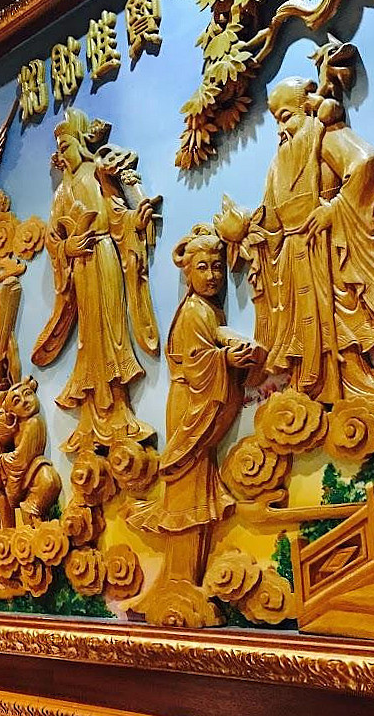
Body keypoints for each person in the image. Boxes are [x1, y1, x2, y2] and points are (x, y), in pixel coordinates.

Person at [238, 76, 374, 404]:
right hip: (293, 255)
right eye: (276, 120)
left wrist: (334, 209)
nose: (281, 129)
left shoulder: (324, 138)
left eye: (286, 117)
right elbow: (271, 214)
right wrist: (246, 232)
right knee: (304, 329)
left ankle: (354, 380)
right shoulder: (279, 162)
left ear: (307, 110)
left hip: (324, 247)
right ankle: (312, 391)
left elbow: (365, 162)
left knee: (337, 318)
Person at [129, 227, 262, 585]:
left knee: (199, 491)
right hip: (191, 405)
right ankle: (179, 579)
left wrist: (232, 348)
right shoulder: (192, 312)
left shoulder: (208, 310)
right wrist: (226, 359)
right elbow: (197, 364)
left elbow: (213, 342)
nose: (212, 276)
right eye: (202, 267)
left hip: (199, 403)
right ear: (188, 272)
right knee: (186, 494)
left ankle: (187, 578)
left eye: (217, 267)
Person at [32, 108, 158, 453]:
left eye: (66, 146)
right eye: (59, 150)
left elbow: (116, 216)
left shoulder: (95, 174)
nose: (62, 155)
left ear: (80, 145)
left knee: (111, 333)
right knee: (89, 337)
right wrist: (66, 247)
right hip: (80, 267)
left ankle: (118, 412)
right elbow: (53, 238)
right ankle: (93, 417)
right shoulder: (62, 192)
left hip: (104, 257)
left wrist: (136, 220)